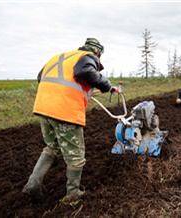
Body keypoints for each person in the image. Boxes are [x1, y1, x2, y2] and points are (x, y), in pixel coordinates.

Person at [22, 38, 118, 202]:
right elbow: (85, 72)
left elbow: (42, 77)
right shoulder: (88, 56)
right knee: (76, 154)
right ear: (98, 53)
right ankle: (73, 194)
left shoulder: (61, 57)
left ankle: (33, 183)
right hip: (64, 110)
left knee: (52, 147)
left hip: (44, 107)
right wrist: (107, 85)